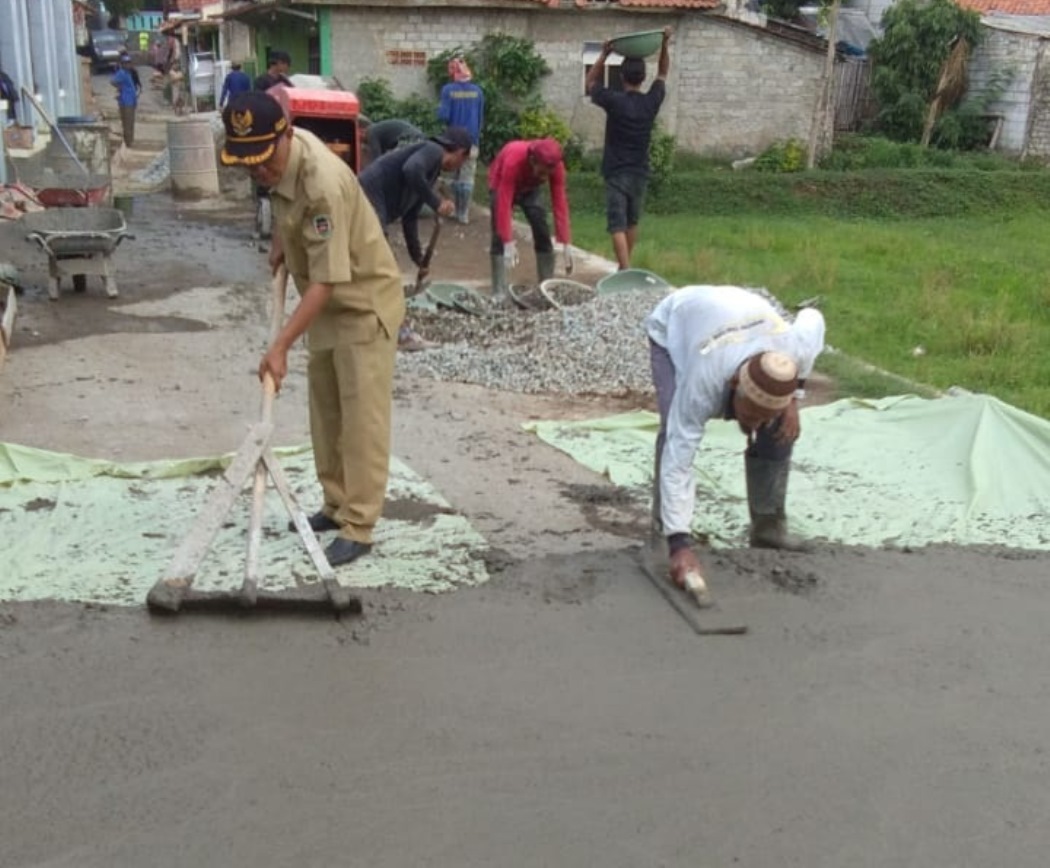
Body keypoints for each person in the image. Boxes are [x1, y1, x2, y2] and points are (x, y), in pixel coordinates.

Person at [220, 91, 405, 568]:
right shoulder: (283, 156)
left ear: (283, 136)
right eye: (248, 164)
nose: (258, 172)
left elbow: (326, 279)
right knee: (327, 413)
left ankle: (359, 524)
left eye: (263, 160)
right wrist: (283, 238)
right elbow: (286, 202)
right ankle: (336, 502)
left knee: (361, 420)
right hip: (326, 309)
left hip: (362, 304)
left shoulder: (320, 179)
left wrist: (279, 345)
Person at [646, 285, 826, 606]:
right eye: (751, 414)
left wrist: (794, 399)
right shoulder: (703, 382)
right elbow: (680, 459)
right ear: (734, 387)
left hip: (747, 317)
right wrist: (681, 545)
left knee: (780, 427)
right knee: (673, 427)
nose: (754, 425)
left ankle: (768, 526)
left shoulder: (792, 349)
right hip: (677, 322)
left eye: (762, 417)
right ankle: (664, 532)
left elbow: (813, 318)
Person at [359, 126, 472, 351]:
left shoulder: (429, 173)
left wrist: (418, 259)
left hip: (367, 205)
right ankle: (400, 333)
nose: (459, 167)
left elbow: (410, 217)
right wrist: (437, 202)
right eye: (463, 161)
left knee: (368, 271)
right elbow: (411, 170)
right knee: (385, 274)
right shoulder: (432, 150)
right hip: (366, 200)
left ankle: (369, 326)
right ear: (461, 153)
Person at [586, 27, 671, 271]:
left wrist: (603, 55)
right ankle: (625, 268)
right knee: (632, 221)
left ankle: (625, 271)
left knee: (616, 224)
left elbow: (590, 82)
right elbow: (664, 72)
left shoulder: (614, 101)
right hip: (639, 171)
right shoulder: (651, 102)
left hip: (616, 171)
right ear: (643, 78)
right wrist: (664, 43)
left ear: (622, 77)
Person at [488, 137, 574, 300]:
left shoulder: (555, 167)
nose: (544, 178)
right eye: (542, 173)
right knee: (498, 233)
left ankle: (546, 286)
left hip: (529, 187)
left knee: (540, 224)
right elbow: (505, 201)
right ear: (533, 160)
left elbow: (559, 200)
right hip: (501, 182)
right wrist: (507, 241)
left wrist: (565, 241)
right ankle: (499, 290)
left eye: (547, 175)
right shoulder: (514, 160)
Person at [437, 56, 484, 224]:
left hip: (452, 142)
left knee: (451, 176)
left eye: (450, 69)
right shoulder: (478, 91)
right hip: (472, 141)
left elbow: (442, 116)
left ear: (454, 71)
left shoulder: (448, 90)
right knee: (467, 176)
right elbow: (480, 119)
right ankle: (463, 214)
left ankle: (453, 208)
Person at [110, 54, 140, 147]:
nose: (128, 65)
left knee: (131, 122)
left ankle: (130, 140)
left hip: (132, 100)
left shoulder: (129, 73)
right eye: (126, 63)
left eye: (129, 63)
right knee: (127, 122)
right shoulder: (121, 73)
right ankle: (128, 142)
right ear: (122, 64)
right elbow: (113, 81)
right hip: (125, 101)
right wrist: (120, 87)